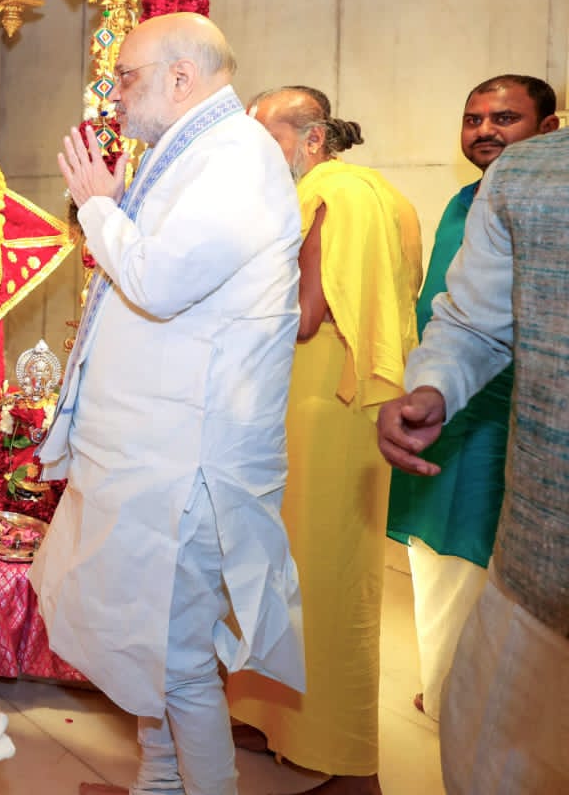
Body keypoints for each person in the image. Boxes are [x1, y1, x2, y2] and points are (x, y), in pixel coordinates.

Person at [31, 12, 306, 795]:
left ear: (181, 78)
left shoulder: (237, 157)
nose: (114, 95)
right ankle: (158, 785)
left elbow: (156, 281)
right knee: (147, 648)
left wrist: (97, 206)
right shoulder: (189, 154)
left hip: (190, 464)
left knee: (178, 662)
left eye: (125, 77)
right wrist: (117, 204)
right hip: (151, 452)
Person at [234, 87, 423, 795]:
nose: (254, 152)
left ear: (312, 139)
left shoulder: (329, 194)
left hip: (324, 413)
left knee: (322, 582)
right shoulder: (384, 195)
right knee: (290, 571)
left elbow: (306, 314)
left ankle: (350, 761)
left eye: (267, 137)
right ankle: (268, 718)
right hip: (335, 407)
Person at [377, 127, 569, 794]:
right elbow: (473, 324)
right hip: (542, 550)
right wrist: (435, 385)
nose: (484, 129)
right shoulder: (528, 176)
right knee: (490, 761)